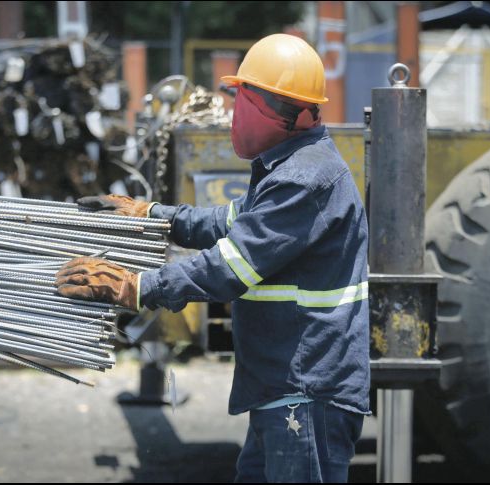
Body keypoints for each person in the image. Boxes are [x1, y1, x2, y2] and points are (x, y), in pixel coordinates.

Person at [55, 33, 370, 483]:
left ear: (290, 112)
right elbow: (227, 222)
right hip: (284, 387)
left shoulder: (304, 179)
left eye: (245, 101)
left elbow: (229, 267)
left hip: (305, 391)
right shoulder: (288, 166)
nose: (236, 113)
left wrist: (135, 286)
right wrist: (152, 215)